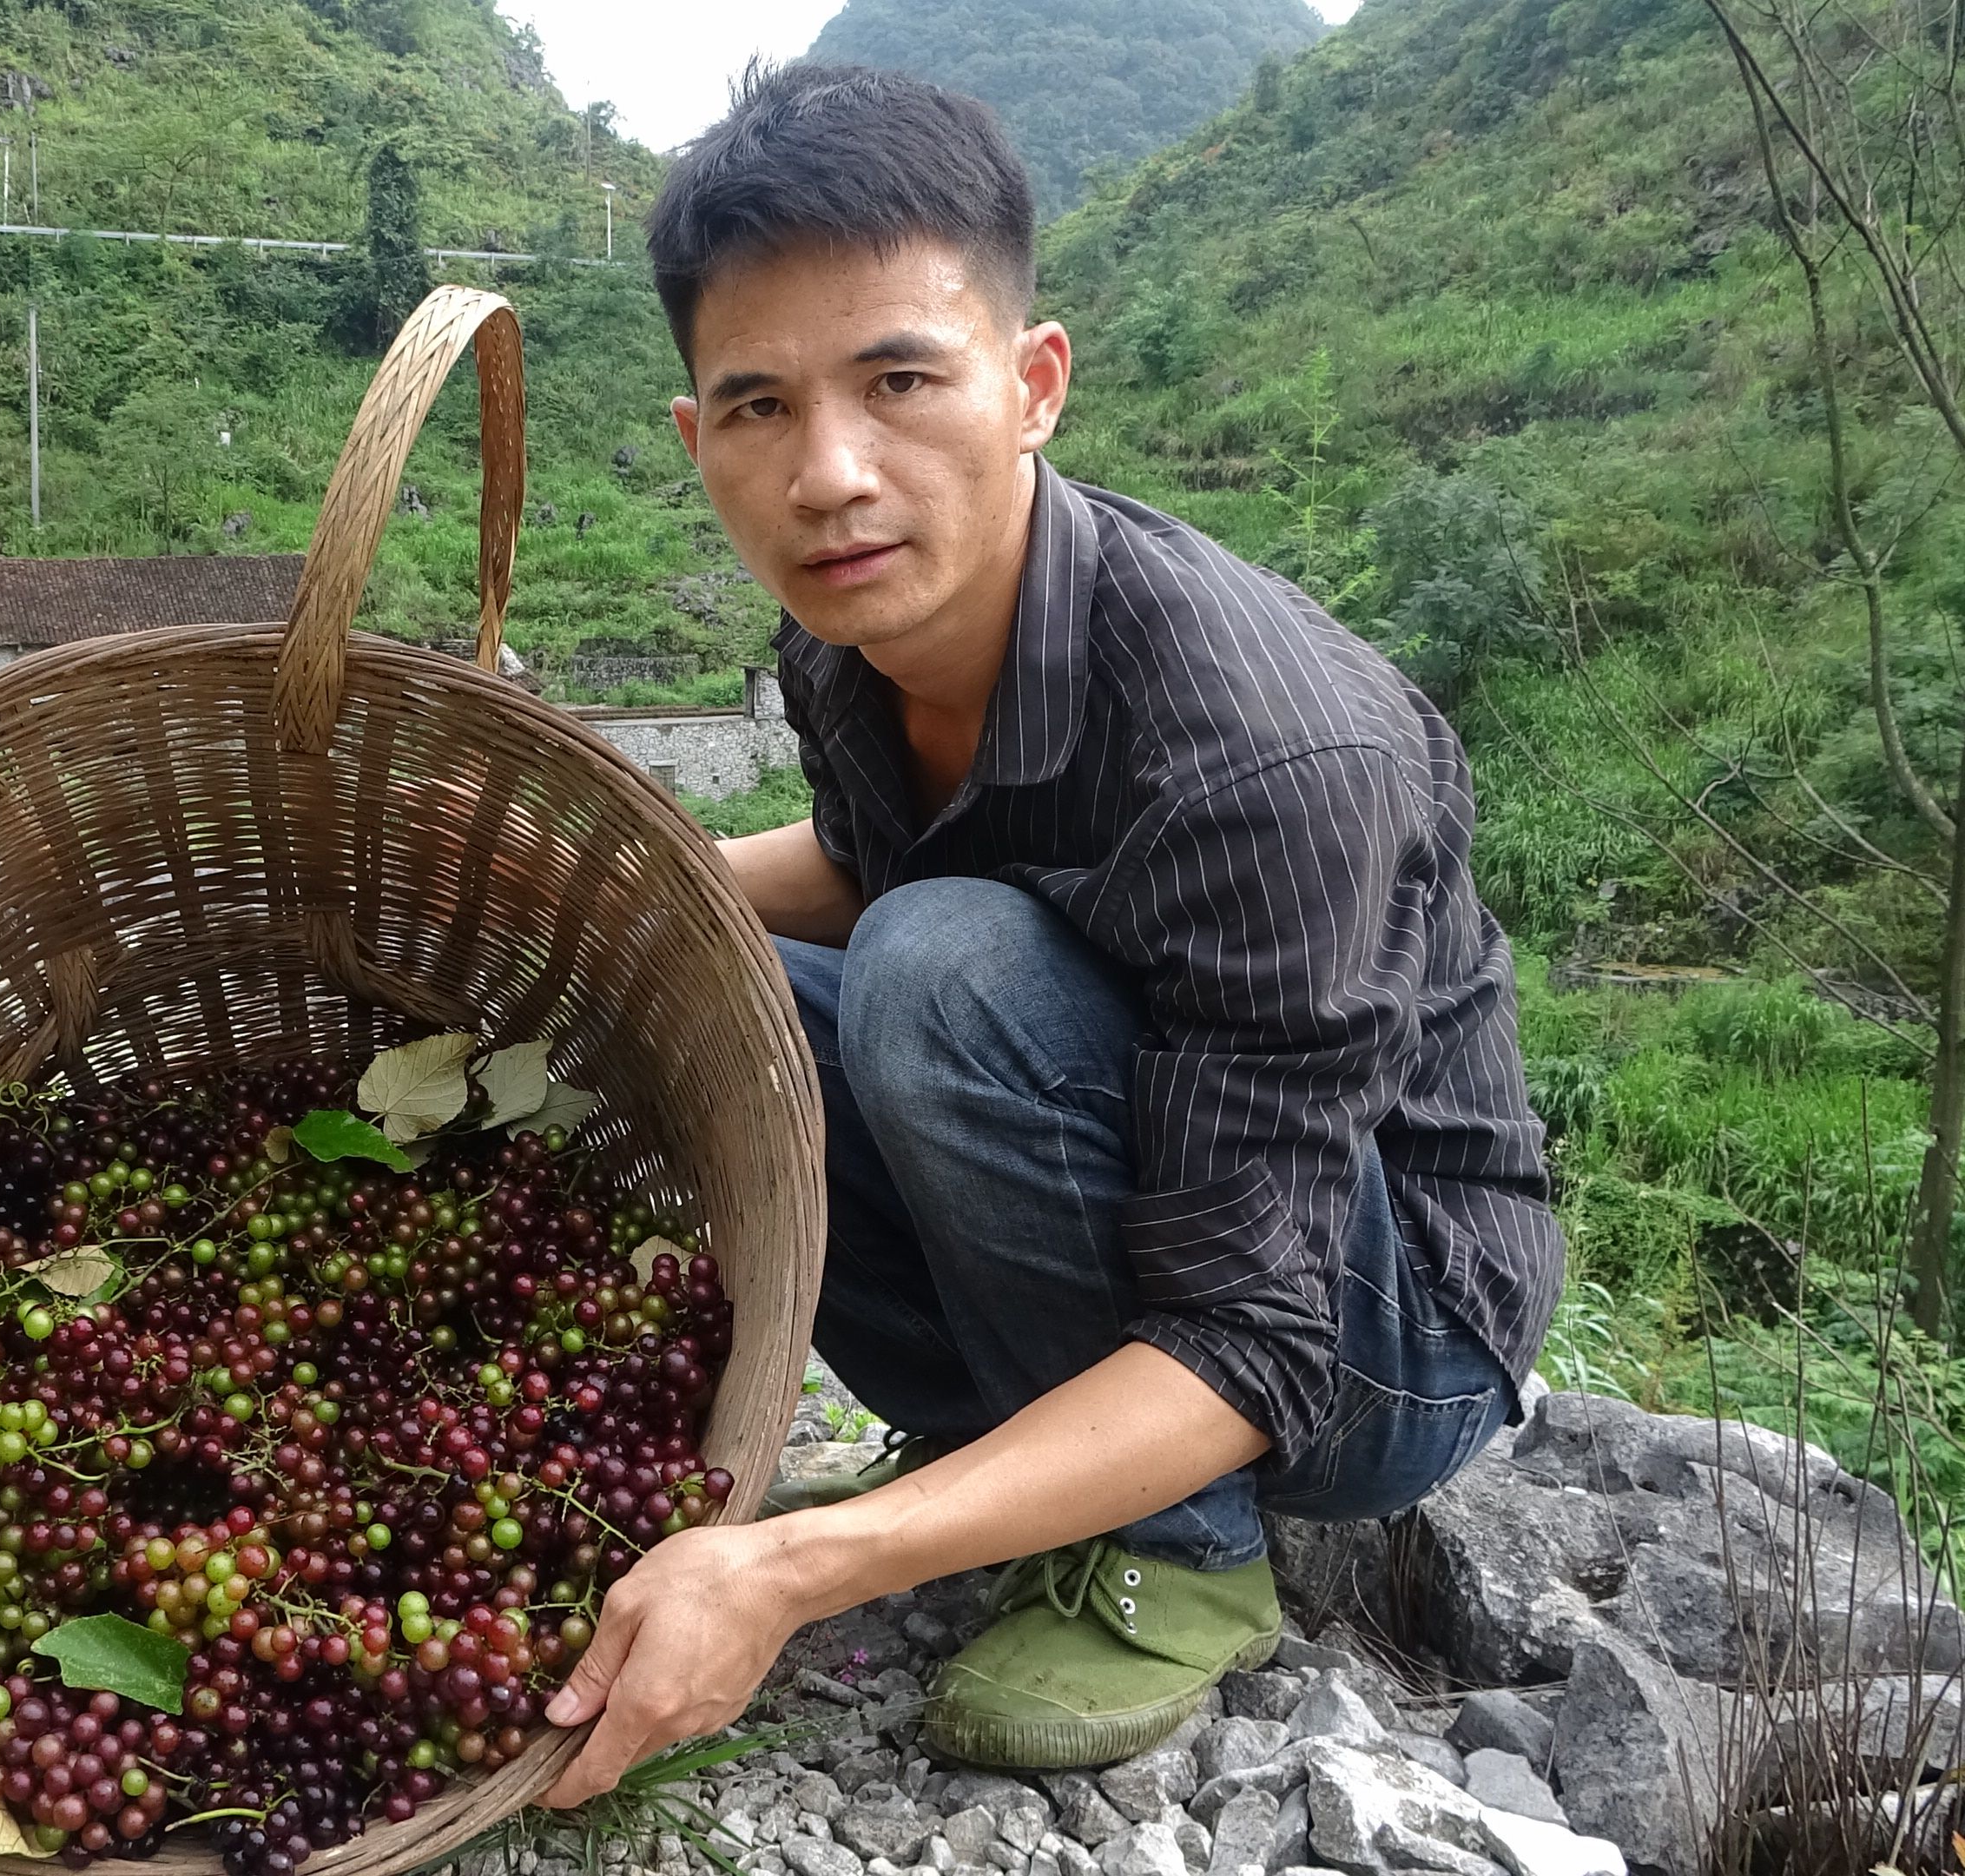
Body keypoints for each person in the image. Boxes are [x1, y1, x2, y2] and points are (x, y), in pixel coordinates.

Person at [537, 63, 1563, 1797]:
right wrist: (597, 888)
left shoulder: (1273, 752)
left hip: (1375, 1338)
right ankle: (998, 1448)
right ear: (696, 438)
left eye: (900, 381)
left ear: (1033, 386)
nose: (830, 473)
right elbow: (874, 858)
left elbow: (1258, 1331)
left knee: (943, 968)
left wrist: (791, 1568)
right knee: (716, 991)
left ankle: (1185, 1549)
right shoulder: (847, 643)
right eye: (761, 407)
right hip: (1139, 1205)